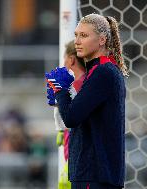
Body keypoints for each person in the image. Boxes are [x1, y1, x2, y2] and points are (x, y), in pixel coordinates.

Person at [46, 13, 127, 189]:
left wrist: (61, 90)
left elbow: (71, 118)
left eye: (84, 35)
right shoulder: (101, 70)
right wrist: (63, 94)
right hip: (95, 173)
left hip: (94, 174)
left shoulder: (102, 72)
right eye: (76, 35)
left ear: (102, 40)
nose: (77, 41)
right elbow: (82, 115)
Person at [47, 40, 86, 189]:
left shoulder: (75, 86)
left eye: (64, 58)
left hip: (77, 150)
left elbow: (70, 116)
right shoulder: (88, 82)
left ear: (71, 59)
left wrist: (61, 128)